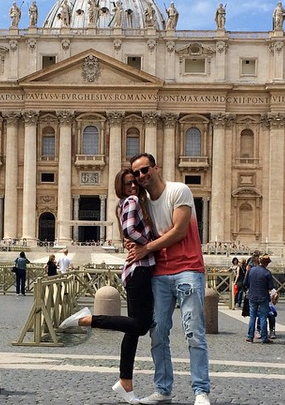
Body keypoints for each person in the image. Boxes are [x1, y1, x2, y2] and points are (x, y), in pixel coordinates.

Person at [60, 168, 155, 404]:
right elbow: (129, 231)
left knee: (132, 330)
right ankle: (88, 319)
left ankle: (125, 382)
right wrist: (153, 243)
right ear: (120, 187)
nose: (133, 186)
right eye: (128, 183)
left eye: (134, 182)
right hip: (141, 269)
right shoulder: (133, 201)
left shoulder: (124, 203)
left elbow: (128, 233)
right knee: (141, 325)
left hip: (135, 271)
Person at [127, 153, 210, 405]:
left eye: (145, 170)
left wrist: (146, 248)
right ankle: (163, 390)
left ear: (156, 168)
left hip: (188, 269)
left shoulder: (179, 190)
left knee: (193, 332)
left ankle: (201, 391)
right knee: (158, 333)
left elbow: (179, 231)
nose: (141, 175)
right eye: (137, 173)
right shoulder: (142, 203)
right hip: (160, 272)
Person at [244, 254, 278, 344]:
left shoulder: (251, 270)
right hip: (263, 297)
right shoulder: (267, 273)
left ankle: (250, 337)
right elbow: (270, 287)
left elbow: (245, 283)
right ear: (267, 263)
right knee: (263, 317)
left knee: (252, 317)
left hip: (252, 296)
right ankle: (264, 337)